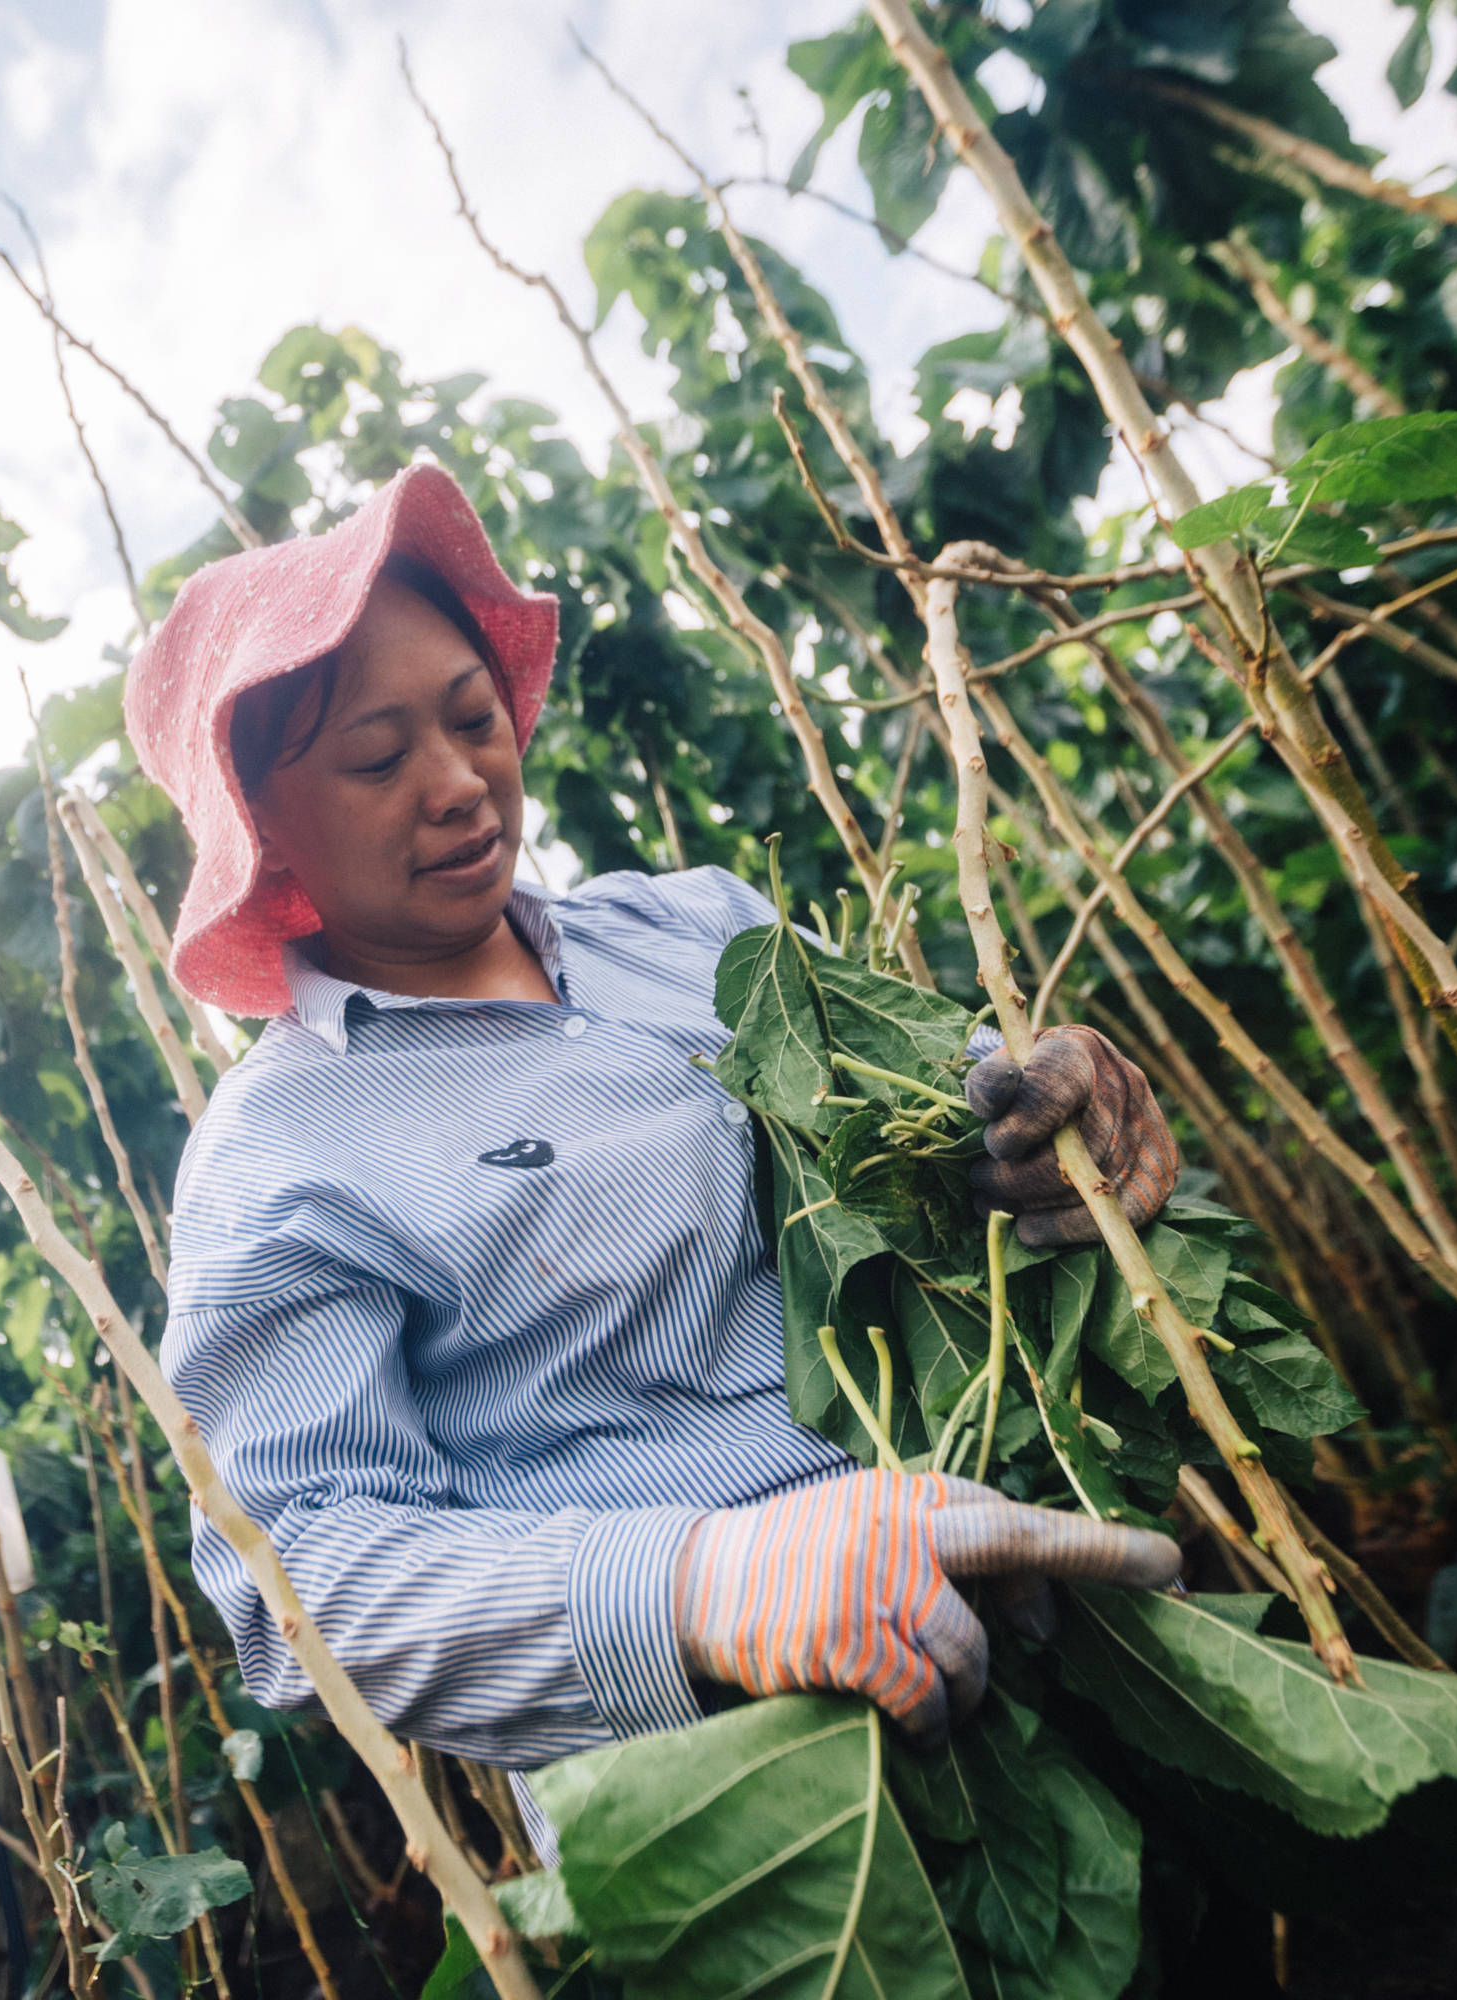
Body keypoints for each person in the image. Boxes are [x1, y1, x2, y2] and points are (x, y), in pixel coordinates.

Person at [128, 465, 1184, 1852]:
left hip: (1046, 1610)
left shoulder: (696, 928)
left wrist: (1053, 1099)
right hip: (729, 1791)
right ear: (267, 829)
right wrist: (699, 1581)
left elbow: (944, 1106)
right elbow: (300, 1579)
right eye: (379, 761)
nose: (457, 785)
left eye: (472, 719)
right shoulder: (277, 1151)